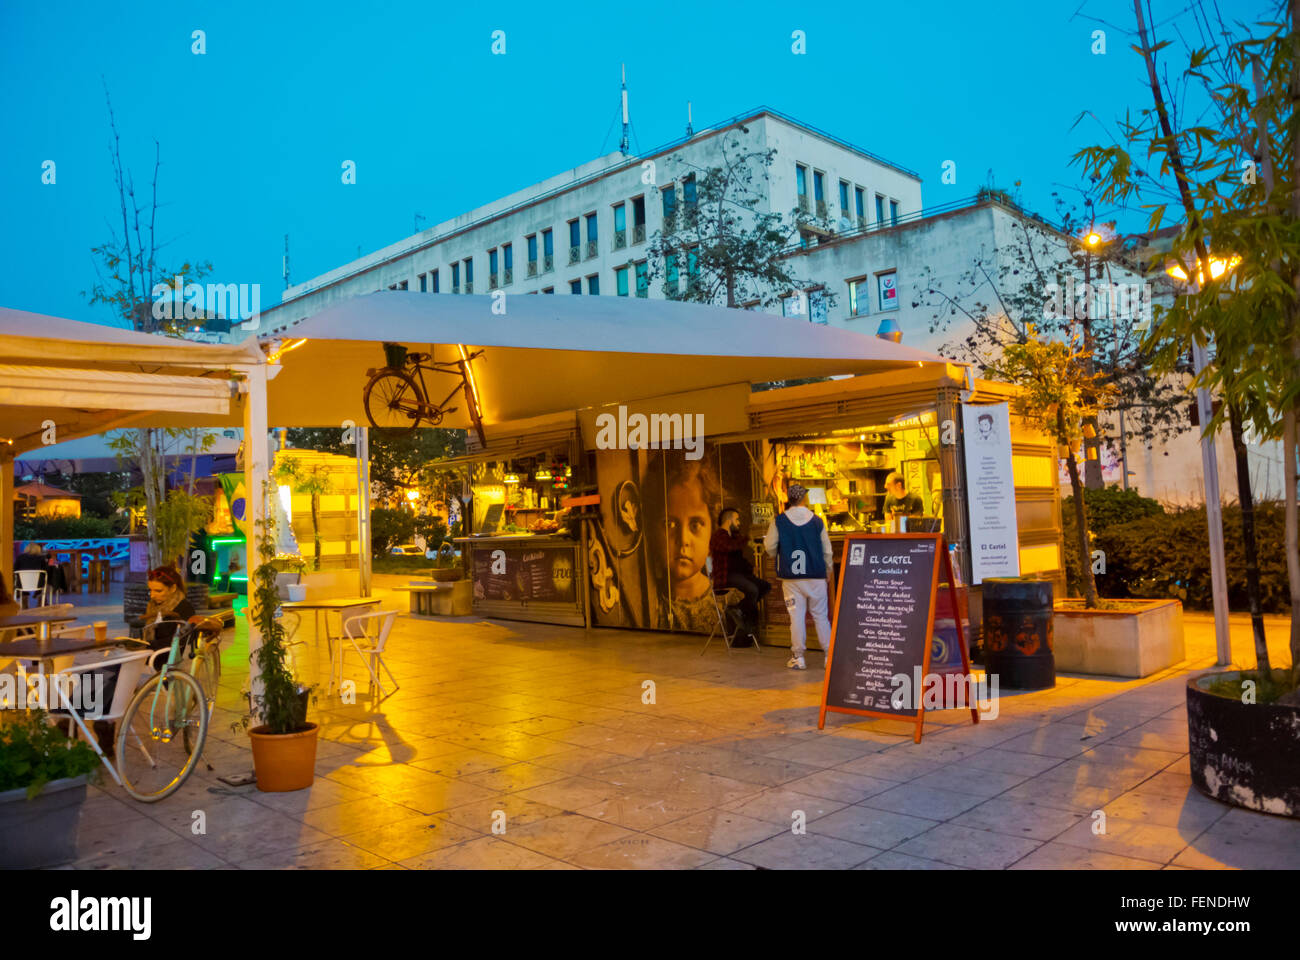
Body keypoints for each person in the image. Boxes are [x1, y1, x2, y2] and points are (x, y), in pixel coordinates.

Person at [642, 451, 721, 633]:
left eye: (695, 524)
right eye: (669, 524)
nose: (683, 540)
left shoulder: (726, 604)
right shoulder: (647, 604)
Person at [763, 483, 834, 670]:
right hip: (816, 576)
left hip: (791, 579)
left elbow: (769, 547)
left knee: (797, 617)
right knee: (821, 616)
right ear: (804, 499)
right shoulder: (817, 521)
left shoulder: (779, 521)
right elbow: (827, 550)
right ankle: (829, 656)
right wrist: (828, 570)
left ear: (789, 499)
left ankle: (798, 657)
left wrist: (778, 553)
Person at [709, 507, 771, 645]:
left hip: (738, 575)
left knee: (764, 586)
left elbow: (739, 559)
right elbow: (730, 547)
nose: (739, 523)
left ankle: (738, 609)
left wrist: (750, 569)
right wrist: (747, 537)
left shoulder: (734, 537)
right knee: (752, 590)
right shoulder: (718, 536)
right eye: (736, 519)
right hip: (725, 577)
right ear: (729, 520)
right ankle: (743, 622)